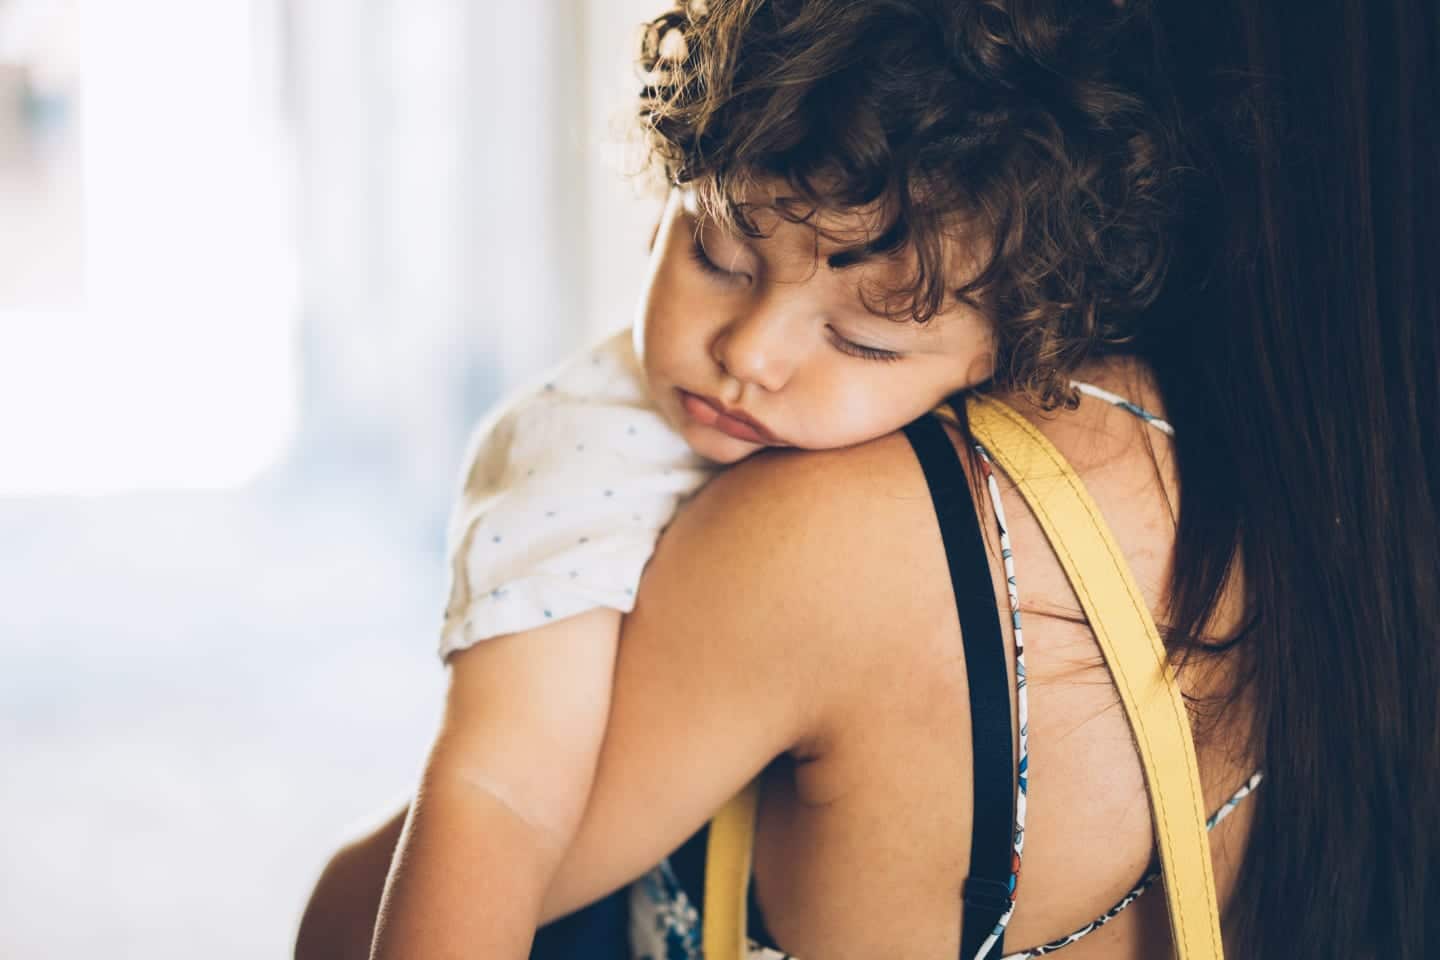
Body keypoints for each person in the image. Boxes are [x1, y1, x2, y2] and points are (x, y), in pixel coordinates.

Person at [296, 1, 1439, 958]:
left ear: (1013, 351)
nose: (750, 354)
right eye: (717, 255)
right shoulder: (582, 456)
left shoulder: (849, 525)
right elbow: (487, 811)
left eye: (866, 342)